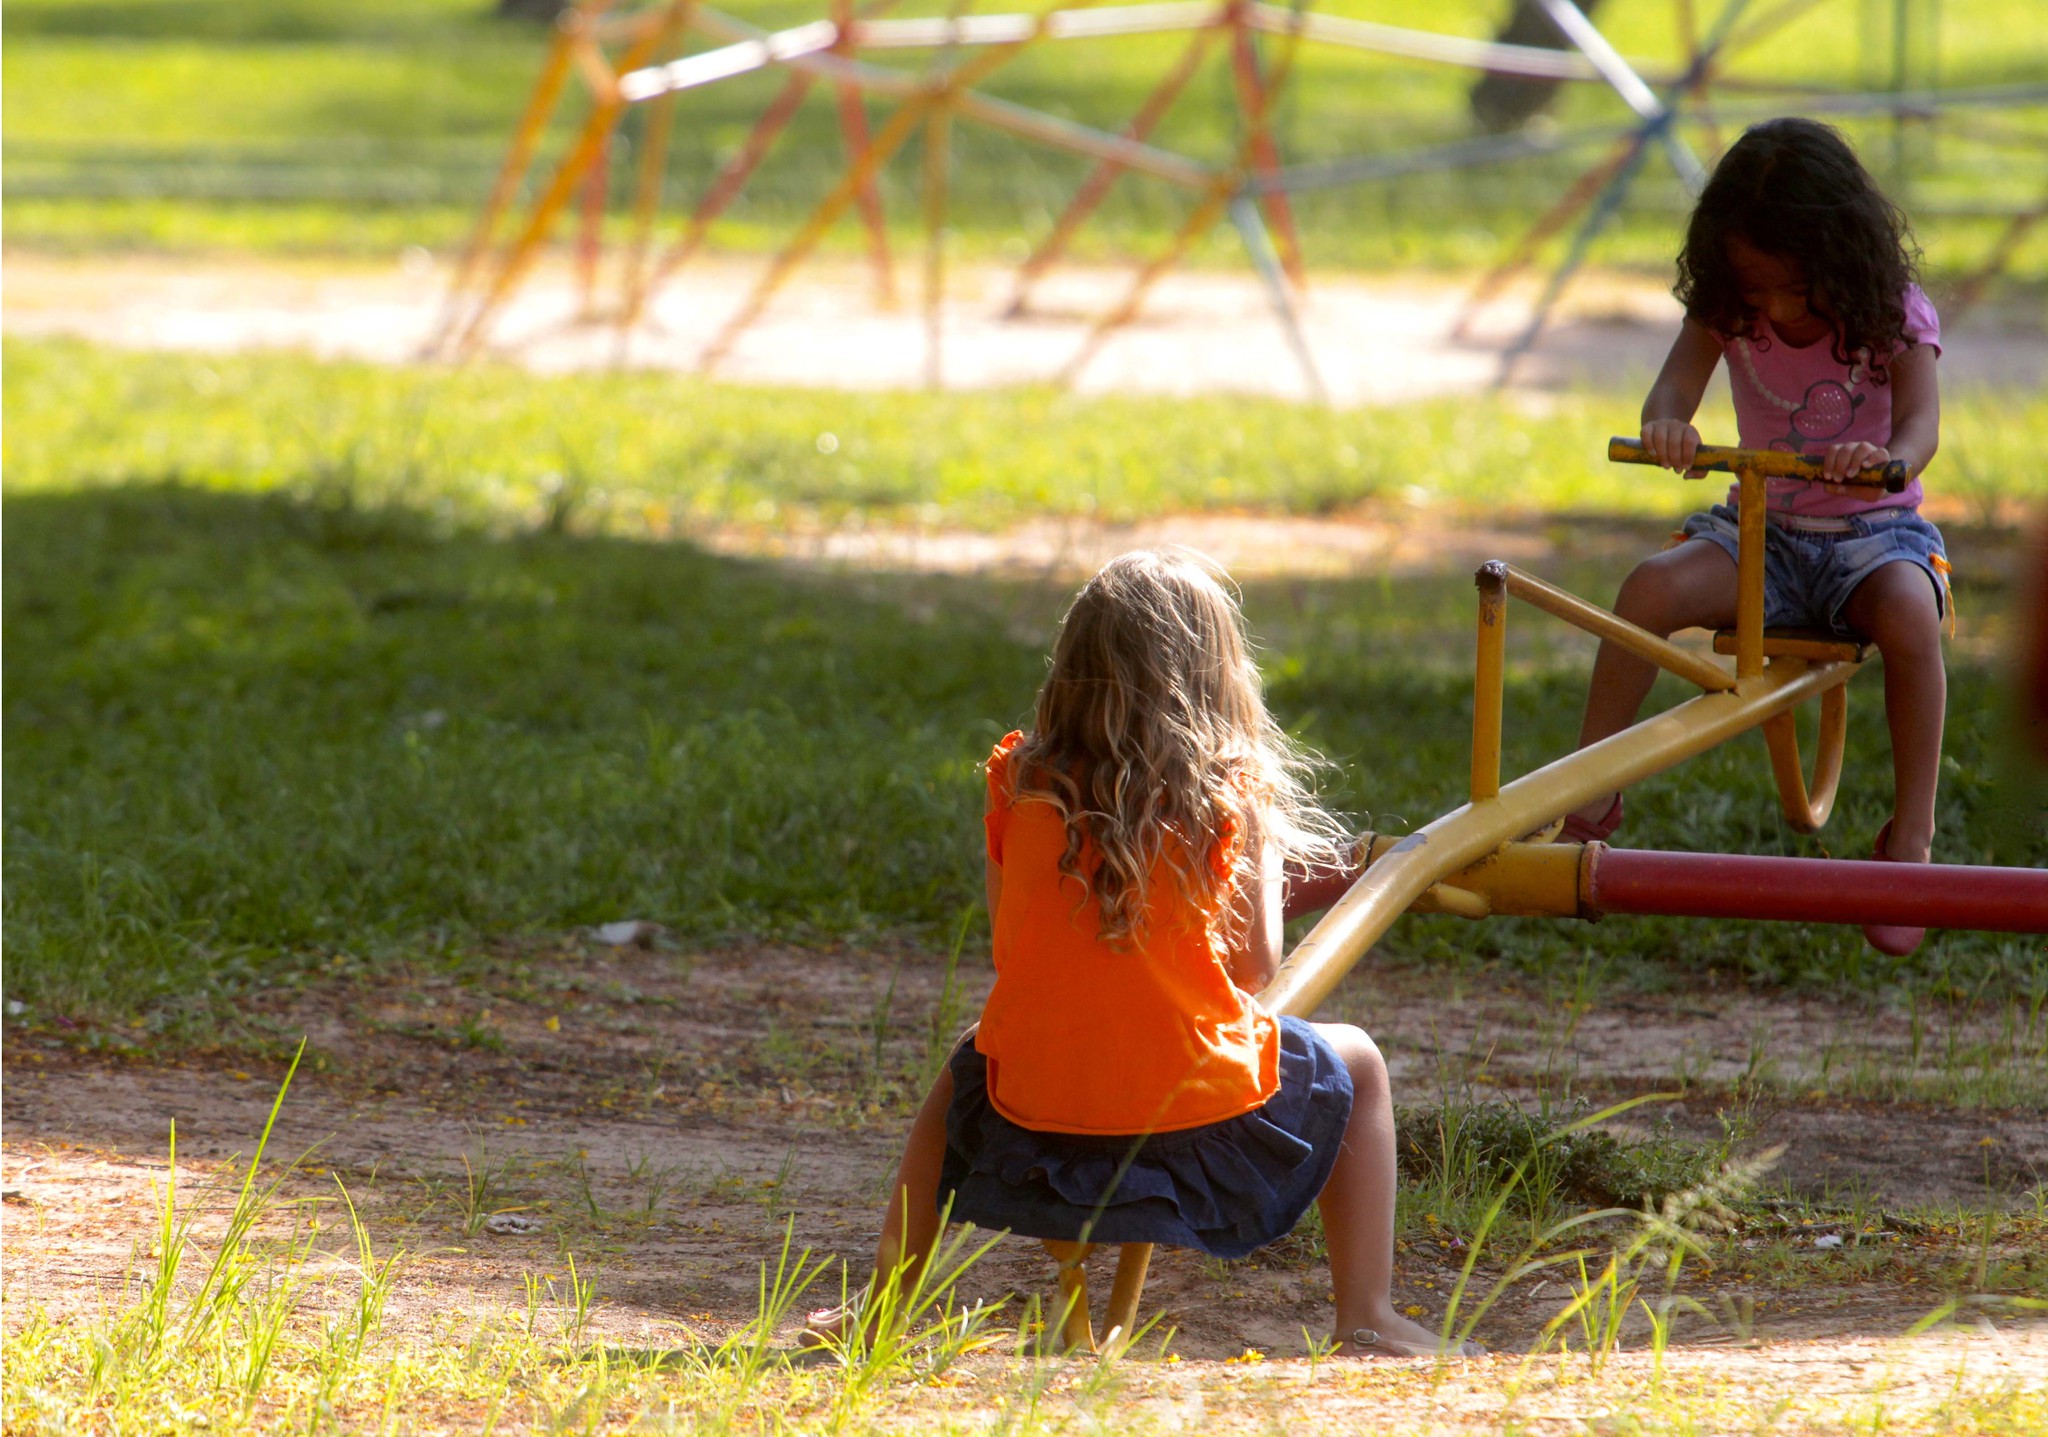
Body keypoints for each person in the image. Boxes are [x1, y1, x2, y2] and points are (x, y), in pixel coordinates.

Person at [807, 549, 1470, 1358]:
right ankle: (1367, 1313)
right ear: (1218, 676)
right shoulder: (1230, 791)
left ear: (1071, 667)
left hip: (1034, 1109)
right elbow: (1258, 968)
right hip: (1192, 1115)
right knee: (1359, 1060)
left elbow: (1011, 947)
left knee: (958, 1078)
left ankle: (880, 1308)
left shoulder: (1018, 779)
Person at [1565, 118, 1948, 957]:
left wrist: (1885, 460)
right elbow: (1671, 392)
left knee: (1914, 620)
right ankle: (1587, 792)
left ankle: (1911, 843)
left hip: (1873, 532)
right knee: (1649, 587)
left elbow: (1922, 425)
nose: (1771, 307)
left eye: (1791, 289)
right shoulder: (1730, 309)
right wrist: (1668, 429)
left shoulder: (1890, 313)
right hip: (1762, 527)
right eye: (1754, 287)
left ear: (1840, 258)